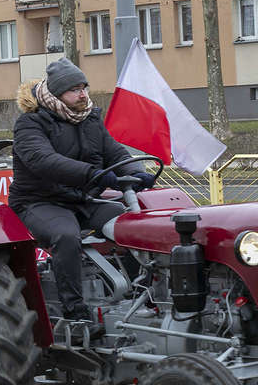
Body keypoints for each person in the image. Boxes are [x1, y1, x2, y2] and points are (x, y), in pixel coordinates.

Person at [9, 58, 155, 335]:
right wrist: (95, 175)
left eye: (84, 87)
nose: (82, 94)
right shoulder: (30, 124)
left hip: (84, 199)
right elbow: (43, 161)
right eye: (74, 90)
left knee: (135, 226)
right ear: (56, 94)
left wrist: (137, 173)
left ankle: (143, 297)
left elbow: (116, 154)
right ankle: (75, 315)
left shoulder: (90, 119)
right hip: (38, 201)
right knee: (66, 236)